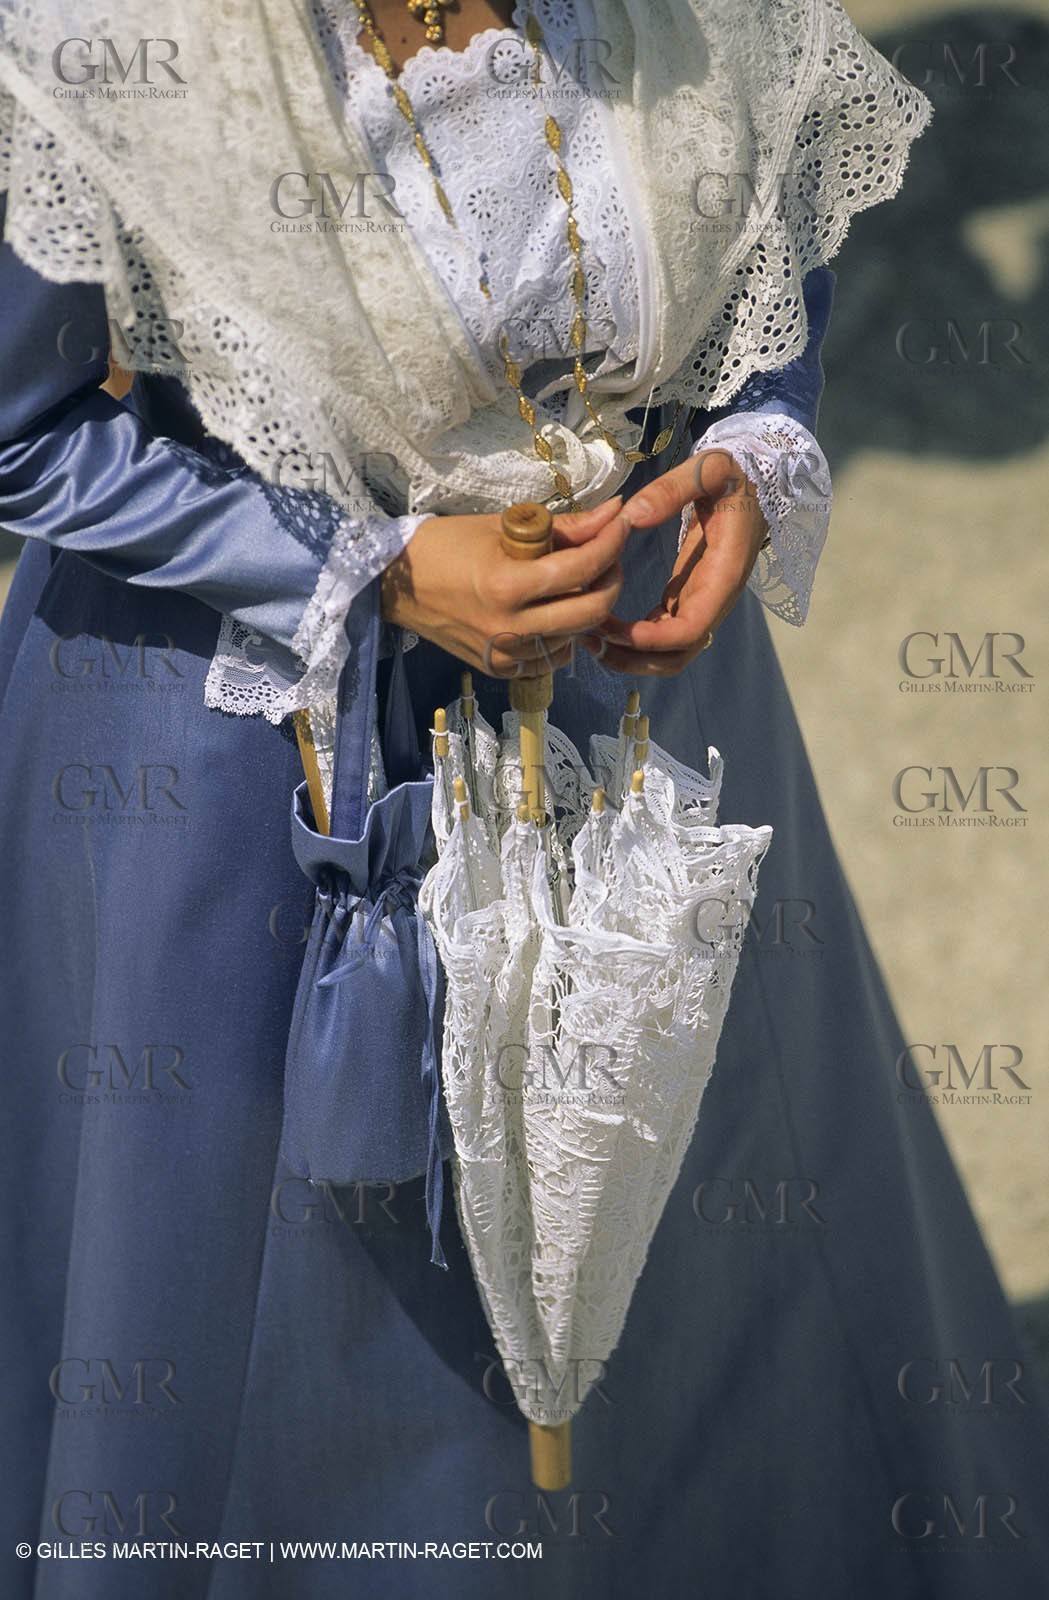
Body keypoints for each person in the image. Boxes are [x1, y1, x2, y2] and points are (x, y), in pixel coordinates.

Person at [1, 2, 1046, 1596]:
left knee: (681, 1256)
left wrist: (759, 449)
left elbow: (757, 260)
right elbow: (26, 432)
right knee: (342, 1325)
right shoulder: (119, 41)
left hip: (642, 733)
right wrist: (376, 574)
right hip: (250, 780)